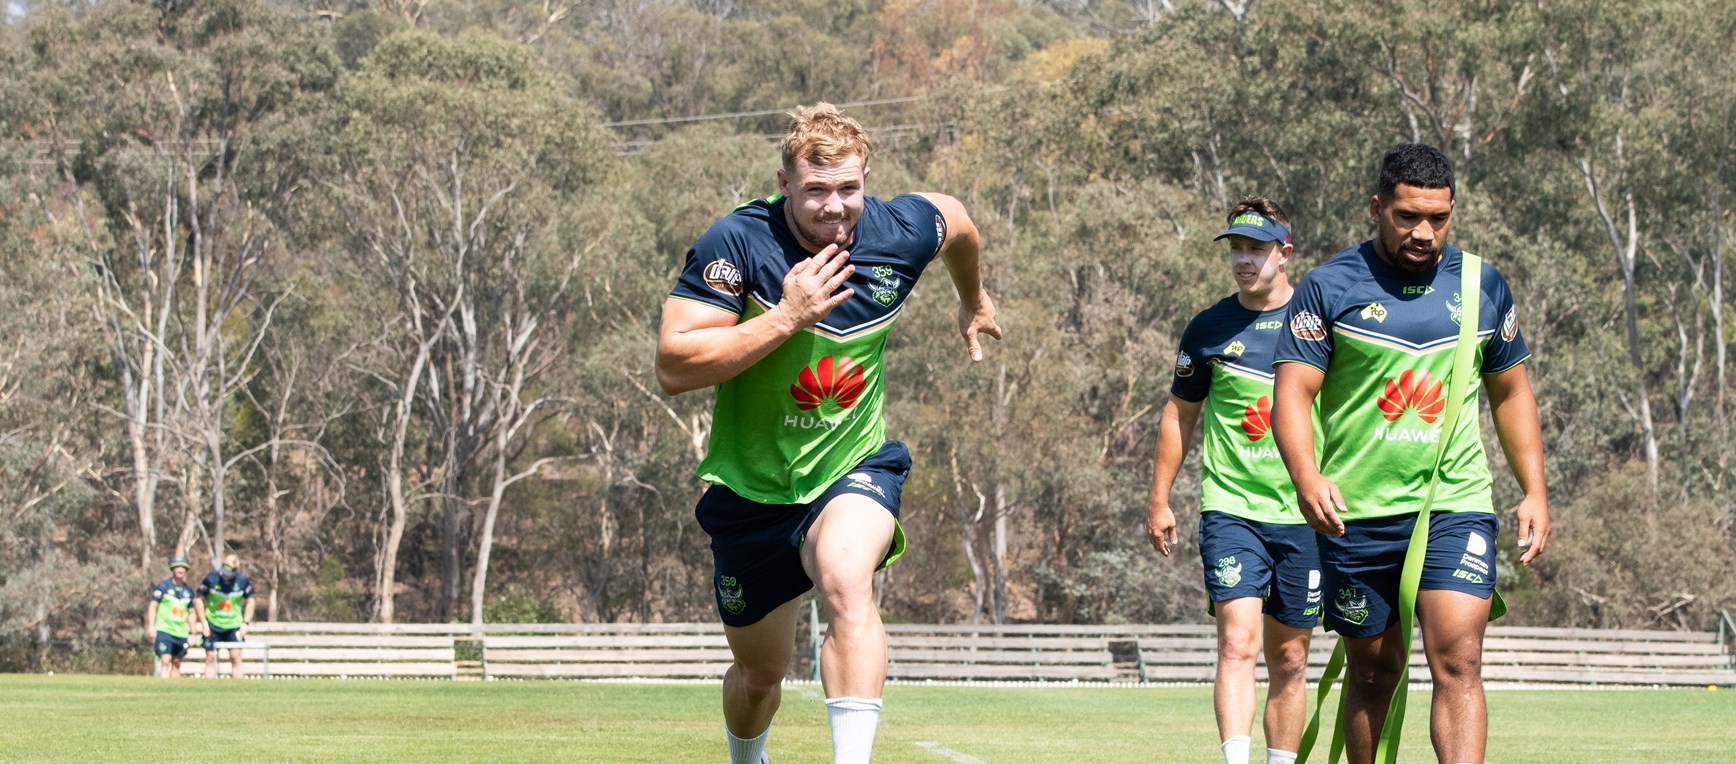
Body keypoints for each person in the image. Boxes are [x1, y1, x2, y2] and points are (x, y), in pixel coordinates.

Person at [655, 102, 1000, 764]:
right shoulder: (737, 243)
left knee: (846, 578)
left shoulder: (900, 230)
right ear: (784, 182)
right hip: (752, 491)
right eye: (816, 190)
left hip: (853, 466)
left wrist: (972, 297)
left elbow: (957, 220)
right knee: (760, 678)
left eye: (848, 188)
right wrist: (787, 316)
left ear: (866, 178)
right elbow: (674, 366)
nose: (834, 206)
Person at [1271, 143, 1550, 764]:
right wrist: (1307, 477)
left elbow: (1511, 392)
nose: (1424, 232)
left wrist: (1534, 489)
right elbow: (1291, 394)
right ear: (1378, 209)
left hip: (1454, 503)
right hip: (1356, 513)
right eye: (1407, 217)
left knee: (1460, 660)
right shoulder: (1328, 287)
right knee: (1374, 673)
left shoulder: (1483, 286)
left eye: (1438, 218)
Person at [1146, 196, 1317, 764]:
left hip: (1305, 514)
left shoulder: (1318, 324)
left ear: (1284, 253)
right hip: (1232, 509)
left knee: (1290, 659)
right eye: (1237, 249)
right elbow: (1179, 414)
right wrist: (1159, 499)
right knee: (1238, 642)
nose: (1244, 260)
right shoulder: (1208, 328)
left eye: (1256, 249)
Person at [195, 552, 256, 679]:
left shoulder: (242, 581)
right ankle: (208, 688)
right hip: (213, 625)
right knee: (210, 658)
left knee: (236, 657)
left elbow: (251, 601)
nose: (225, 575)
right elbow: (198, 600)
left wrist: (245, 623)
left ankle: (237, 688)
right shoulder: (211, 579)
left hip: (233, 625)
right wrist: (204, 623)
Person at [146, 555, 198, 678]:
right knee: (165, 661)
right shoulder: (163, 587)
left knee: (176, 663)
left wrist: (193, 633)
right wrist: (151, 626)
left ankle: (174, 688)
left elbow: (191, 613)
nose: (180, 570)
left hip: (181, 632)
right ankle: (163, 687)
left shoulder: (188, 591)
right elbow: (153, 606)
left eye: (183, 567)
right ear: (172, 569)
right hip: (165, 630)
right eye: (177, 567)